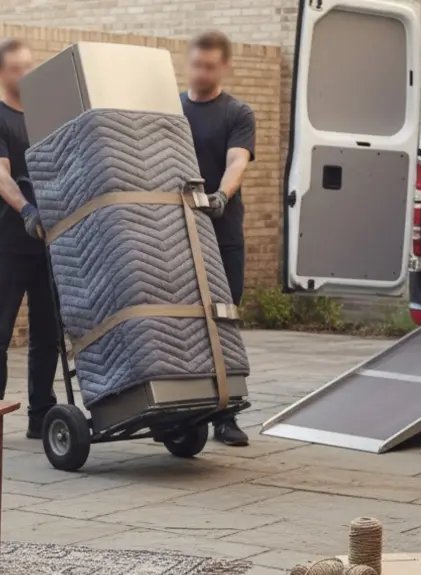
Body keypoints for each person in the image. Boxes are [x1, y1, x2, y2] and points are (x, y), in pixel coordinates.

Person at [0, 38, 58, 448]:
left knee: (47, 333)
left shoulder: (47, 118)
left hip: (48, 241)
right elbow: (0, 173)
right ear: (0, 73)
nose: (25, 74)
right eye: (16, 69)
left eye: (29, 66)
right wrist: (26, 210)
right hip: (8, 243)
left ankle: (40, 416)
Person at [181, 29, 256, 447]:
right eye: (196, 64)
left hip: (222, 230)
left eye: (209, 66)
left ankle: (226, 418)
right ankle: (181, 413)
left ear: (223, 66)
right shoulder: (171, 110)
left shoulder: (237, 113)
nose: (201, 72)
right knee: (182, 322)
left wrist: (221, 196)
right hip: (178, 232)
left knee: (224, 322)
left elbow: (237, 161)